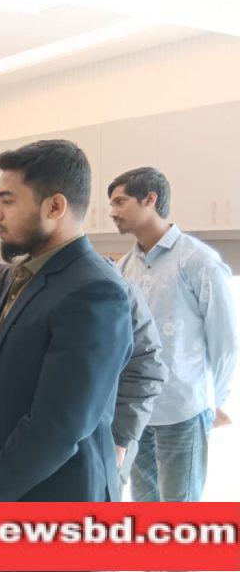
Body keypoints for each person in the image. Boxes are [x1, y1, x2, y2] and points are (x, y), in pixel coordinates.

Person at [0, 139, 133, 502]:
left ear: (54, 207)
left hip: (62, 499)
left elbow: (60, 425)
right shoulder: (29, 275)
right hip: (14, 487)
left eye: (7, 200)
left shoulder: (96, 290)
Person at [0, 257, 167, 487]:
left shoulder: (110, 287)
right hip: (28, 444)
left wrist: (121, 440)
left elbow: (147, 368)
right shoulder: (21, 278)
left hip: (97, 445)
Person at [108, 166, 237, 501]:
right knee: (144, 508)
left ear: (150, 199)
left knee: (179, 513)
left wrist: (217, 401)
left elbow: (225, 341)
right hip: (138, 413)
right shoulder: (124, 267)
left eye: (120, 201)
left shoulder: (198, 260)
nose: (112, 211)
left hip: (184, 411)